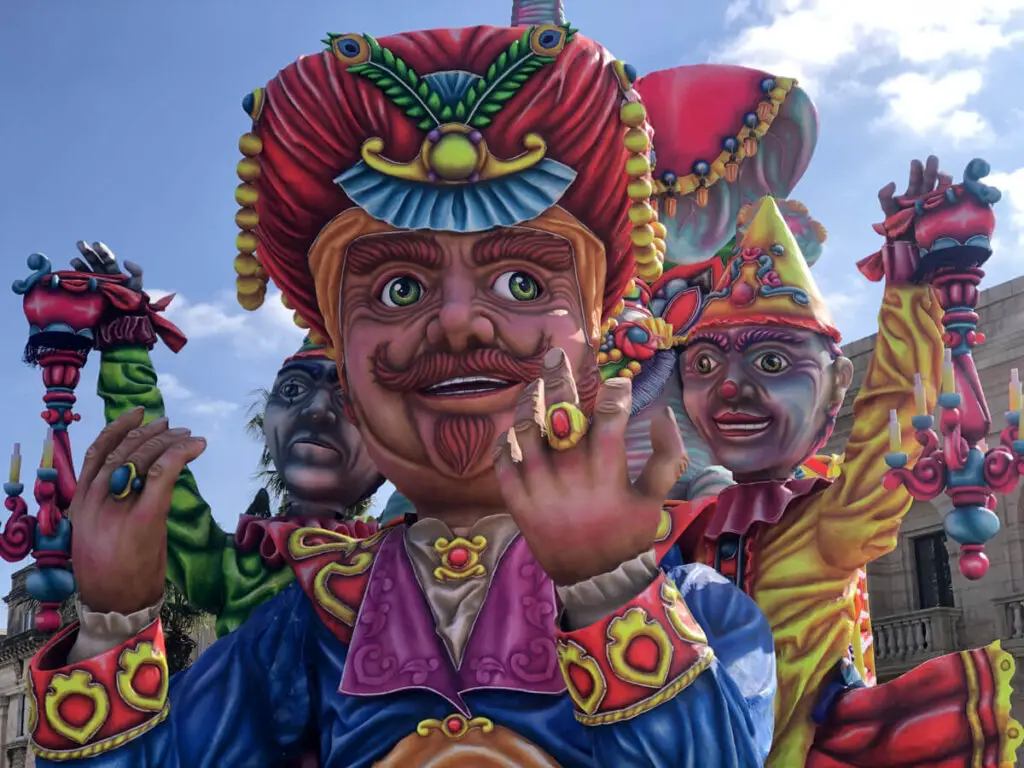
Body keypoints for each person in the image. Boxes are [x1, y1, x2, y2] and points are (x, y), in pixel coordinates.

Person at [26, 20, 778, 767]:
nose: (455, 321)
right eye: (397, 287)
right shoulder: (313, 621)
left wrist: (613, 594)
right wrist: (112, 627)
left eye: (521, 281)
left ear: (596, 339)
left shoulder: (704, 608)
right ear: (343, 370)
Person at [667, 176, 1020, 765]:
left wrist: (908, 290)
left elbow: (897, 421)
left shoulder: (827, 520)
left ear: (836, 386)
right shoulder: (668, 527)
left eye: (772, 361)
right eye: (704, 363)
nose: (729, 386)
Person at [65, 242, 384, 636]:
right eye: (292, 390)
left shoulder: (408, 564)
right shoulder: (236, 565)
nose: (316, 411)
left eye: (349, 399)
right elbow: (149, 456)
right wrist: (124, 343)